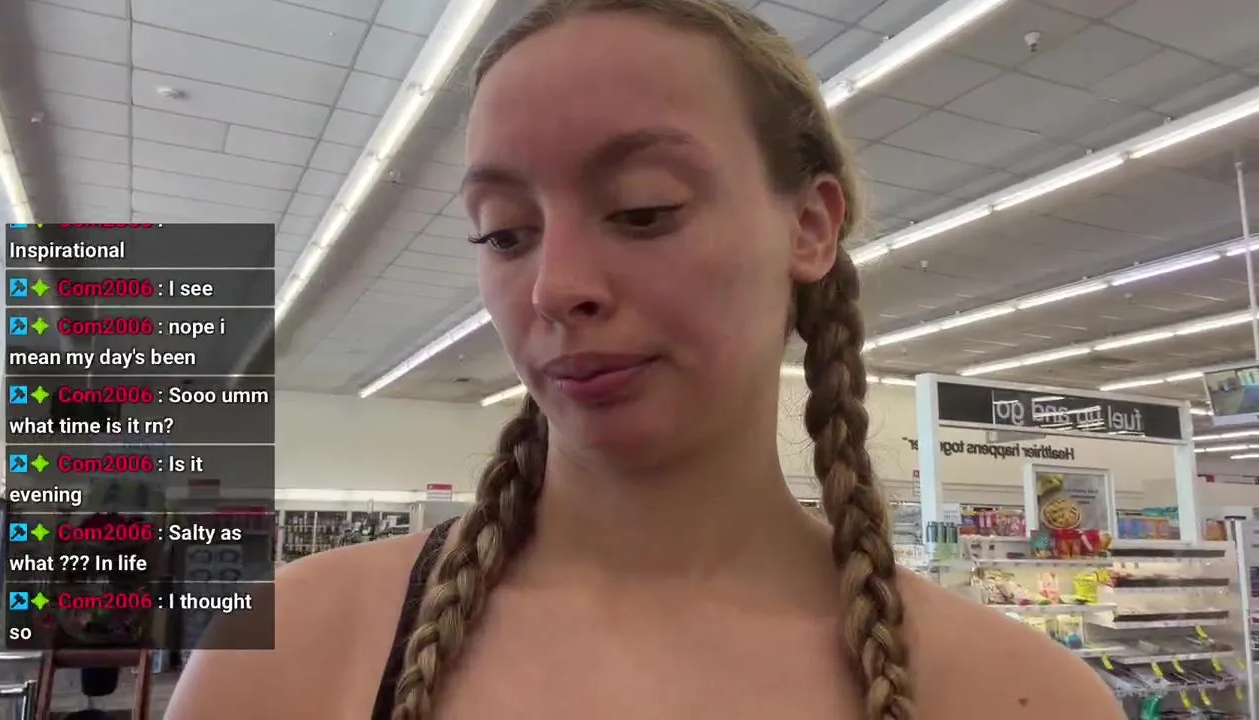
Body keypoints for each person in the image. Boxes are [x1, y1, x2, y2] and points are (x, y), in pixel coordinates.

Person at [168, 1, 1123, 718]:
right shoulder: (296, 649)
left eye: (642, 210)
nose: (555, 287)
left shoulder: (1020, 696)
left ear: (809, 225)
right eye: (503, 233)